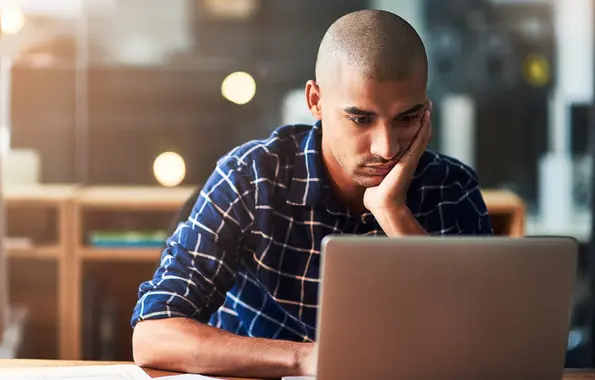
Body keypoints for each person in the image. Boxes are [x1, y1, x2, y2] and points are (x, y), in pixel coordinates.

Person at [131, 9, 492, 378]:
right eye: (361, 119)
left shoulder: (452, 190)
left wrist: (394, 213)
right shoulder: (251, 176)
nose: (386, 147)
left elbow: (484, 346)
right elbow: (154, 335)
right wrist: (307, 359)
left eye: (407, 118)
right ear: (315, 101)